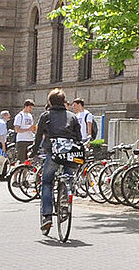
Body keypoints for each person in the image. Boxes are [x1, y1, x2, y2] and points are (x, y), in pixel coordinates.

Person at [32, 89, 81, 234]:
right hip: (70, 154)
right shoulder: (72, 117)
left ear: (50, 102)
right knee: (68, 177)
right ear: (64, 101)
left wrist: (33, 151)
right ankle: (66, 200)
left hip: (53, 153)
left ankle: (47, 215)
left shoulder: (46, 116)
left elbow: (38, 136)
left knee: (46, 182)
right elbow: (79, 137)